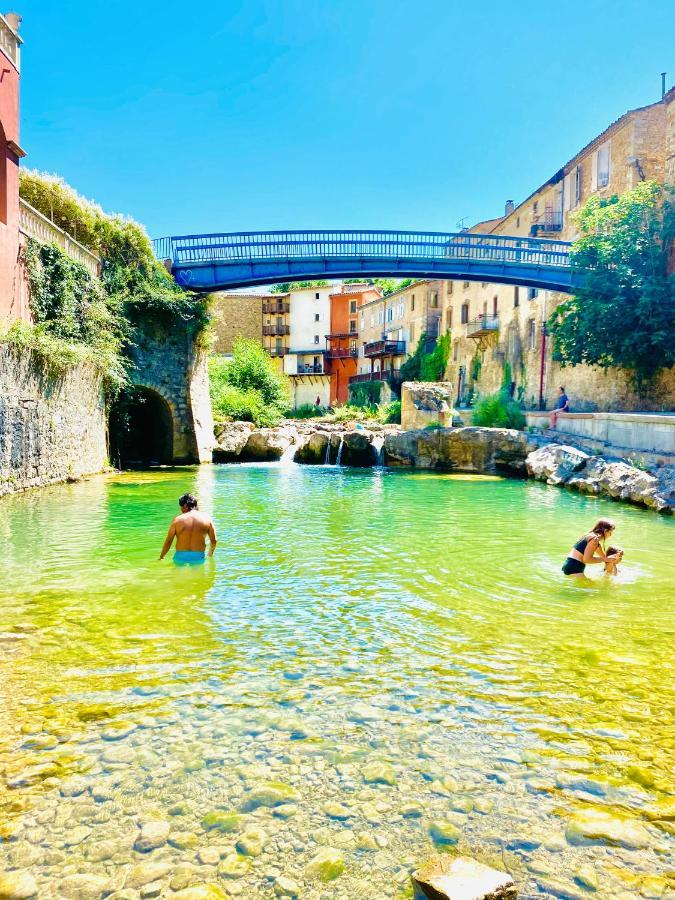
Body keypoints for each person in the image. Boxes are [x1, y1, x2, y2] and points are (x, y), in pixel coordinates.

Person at [159, 493, 216, 564]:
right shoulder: (207, 519)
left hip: (180, 556)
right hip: (198, 556)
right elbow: (213, 541)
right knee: (197, 575)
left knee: (179, 575)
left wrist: (161, 557)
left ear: (185, 506)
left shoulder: (177, 520)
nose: (181, 509)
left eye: (181, 507)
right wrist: (210, 555)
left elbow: (169, 541)